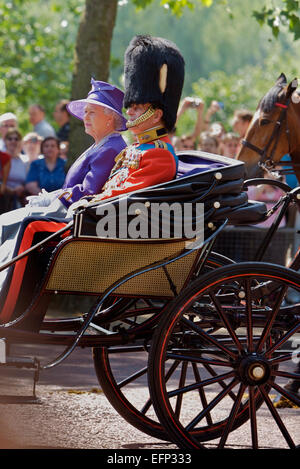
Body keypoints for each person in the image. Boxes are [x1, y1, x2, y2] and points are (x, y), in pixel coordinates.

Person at [0, 34, 185, 326]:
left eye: (137, 108)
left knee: (31, 224)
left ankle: (9, 308)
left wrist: (84, 203)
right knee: (27, 221)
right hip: (103, 218)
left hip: (111, 226)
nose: (130, 112)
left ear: (156, 113)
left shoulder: (159, 154)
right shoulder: (139, 149)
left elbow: (125, 196)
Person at [0, 79, 127, 317]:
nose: (85, 117)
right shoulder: (102, 144)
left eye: (92, 112)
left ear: (109, 117)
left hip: (75, 215)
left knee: (19, 222)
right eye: (85, 112)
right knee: (8, 220)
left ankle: (7, 307)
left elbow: (89, 191)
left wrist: (54, 197)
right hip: (70, 209)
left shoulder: (110, 147)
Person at [2, 128, 27, 208]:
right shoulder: (1, 159)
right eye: (10, 139)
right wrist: (9, 190)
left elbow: (28, 181)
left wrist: (22, 188)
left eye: (16, 139)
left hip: (20, 199)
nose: (13, 141)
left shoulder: (25, 161)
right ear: (5, 141)